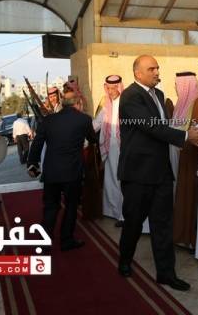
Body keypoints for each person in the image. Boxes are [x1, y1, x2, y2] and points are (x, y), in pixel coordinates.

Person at [117, 55, 198, 291]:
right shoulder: (130, 96)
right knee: (133, 223)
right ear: (138, 73)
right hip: (138, 174)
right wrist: (185, 136)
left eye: (157, 68)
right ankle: (124, 261)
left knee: (163, 225)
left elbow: (163, 126)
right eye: (151, 69)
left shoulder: (158, 94)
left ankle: (166, 274)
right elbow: (151, 126)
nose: (157, 72)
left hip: (161, 173)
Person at [26, 91, 97, 251]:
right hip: (72, 172)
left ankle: (44, 243)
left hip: (52, 171)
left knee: (50, 207)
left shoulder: (48, 120)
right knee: (71, 206)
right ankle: (66, 240)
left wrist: (32, 164)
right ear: (78, 104)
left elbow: (37, 143)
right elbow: (93, 139)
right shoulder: (84, 119)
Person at [171, 72, 198, 249]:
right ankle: (182, 235)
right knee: (182, 195)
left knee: (189, 196)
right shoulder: (182, 104)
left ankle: (190, 238)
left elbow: (196, 134)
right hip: (182, 157)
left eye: (178, 85)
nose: (176, 88)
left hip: (192, 158)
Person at [93, 75, 125, 226]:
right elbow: (96, 124)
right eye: (109, 88)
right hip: (109, 147)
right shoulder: (106, 105)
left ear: (119, 87)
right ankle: (112, 211)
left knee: (121, 180)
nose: (111, 91)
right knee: (111, 179)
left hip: (123, 148)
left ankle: (123, 215)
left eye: (114, 88)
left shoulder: (126, 103)